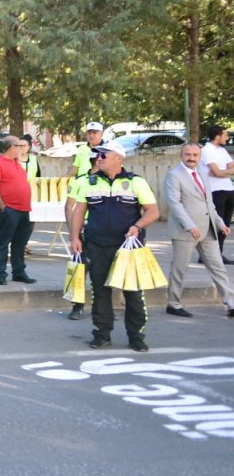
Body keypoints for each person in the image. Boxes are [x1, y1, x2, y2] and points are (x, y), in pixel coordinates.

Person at [69, 139, 159, 351]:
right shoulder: (88, 182)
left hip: (128, 248)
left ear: (118, 158)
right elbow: (79, 211)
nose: (98, 158)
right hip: (97, 246)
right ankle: (102, 334)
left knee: (133, 293)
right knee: (100, 291)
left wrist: (137, 226)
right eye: (97, 155)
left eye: (103, 155)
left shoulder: (136, 182)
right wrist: (74, 237)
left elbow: (153, 211)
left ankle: (136, 336)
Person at [164, 142, 234, 318]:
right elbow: (175, 204)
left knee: (218, 267)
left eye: (195, 155)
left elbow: (208, 203)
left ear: (199, 157)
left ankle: (231, 304)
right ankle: (173, 304)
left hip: (208, 229)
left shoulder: (203, 174)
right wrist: (190, 226)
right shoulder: (174, 175)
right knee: (179, 268)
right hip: (185, 231)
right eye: (188, 154)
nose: (191, 158)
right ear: (182, 155)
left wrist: (220, 224)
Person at [0, 136, 36, 285]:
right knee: (4, 242)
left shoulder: (17, 163)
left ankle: (19, 272)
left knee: (20, 243)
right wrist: (3, 207)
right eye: (18, 146)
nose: (21, 149)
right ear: (10, 147)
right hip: (9, 209)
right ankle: (0, 273)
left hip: (23, 209)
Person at [65, 151, 101, 321]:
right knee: (80, 269)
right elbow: (69, 207)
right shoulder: (81, 181)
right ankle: (77, 306)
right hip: (84, 229)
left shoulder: (111, 182)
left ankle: (101, 307)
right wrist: (74, 234)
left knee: (104, 271)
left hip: (104, 232)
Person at [200, 125, 234, 261]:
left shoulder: (222, 151)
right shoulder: (206, 151)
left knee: (225, 223)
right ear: (217, 136)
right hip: (215, 191)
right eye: (225, 135)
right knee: (215, 224)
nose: (227, 137)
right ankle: (210, 255)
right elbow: (216, 172)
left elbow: (227, 168)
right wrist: (222, 172)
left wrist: (221, 173)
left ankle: (218, 253)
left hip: (228, 189)